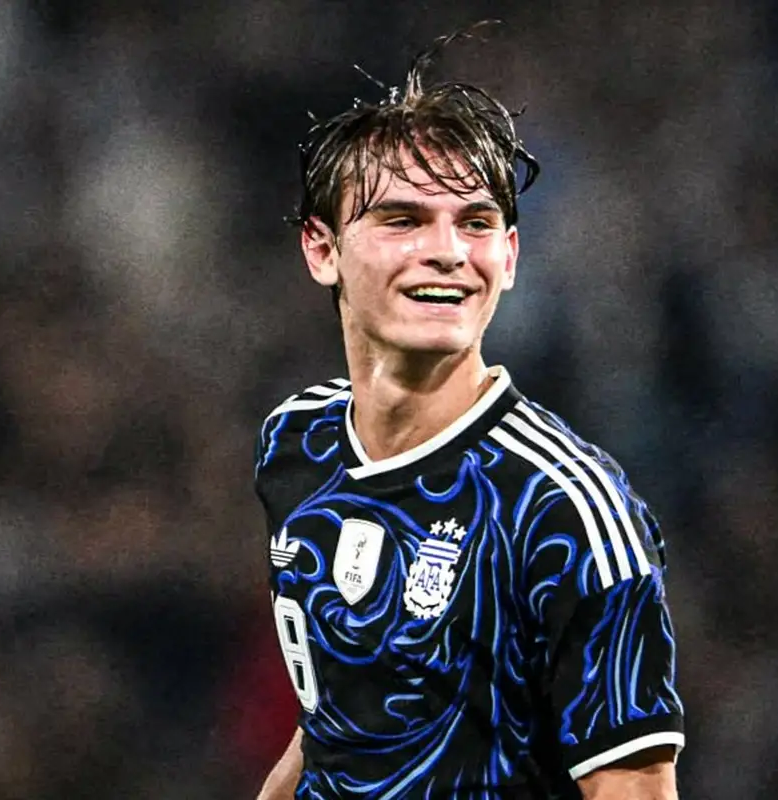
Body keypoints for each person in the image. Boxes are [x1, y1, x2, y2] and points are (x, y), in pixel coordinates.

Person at [253, 25, 684, 800]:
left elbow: (634, 788)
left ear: (509, 257)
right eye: (403, 219)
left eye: (476, 222)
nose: (448, 251)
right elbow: (337, 728)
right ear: (322, 250)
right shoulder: (298, 443)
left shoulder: (561, 510)